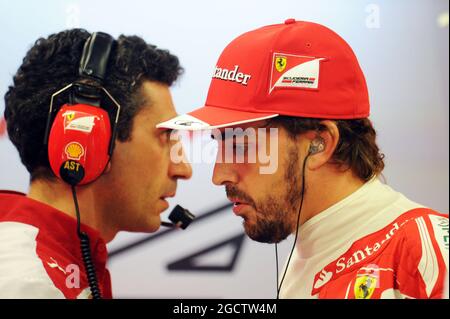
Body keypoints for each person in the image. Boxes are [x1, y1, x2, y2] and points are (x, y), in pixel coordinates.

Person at [157, 19, 449, 299]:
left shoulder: (428, 251)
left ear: (320, 144)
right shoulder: (301, 263)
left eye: (241, 146)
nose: (218, 175)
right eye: (219, 145)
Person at [0, 29, 192, 298]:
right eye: (164, 136)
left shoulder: (49, 265)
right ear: (90, 138)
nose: (183, 169)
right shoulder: (30, 284)